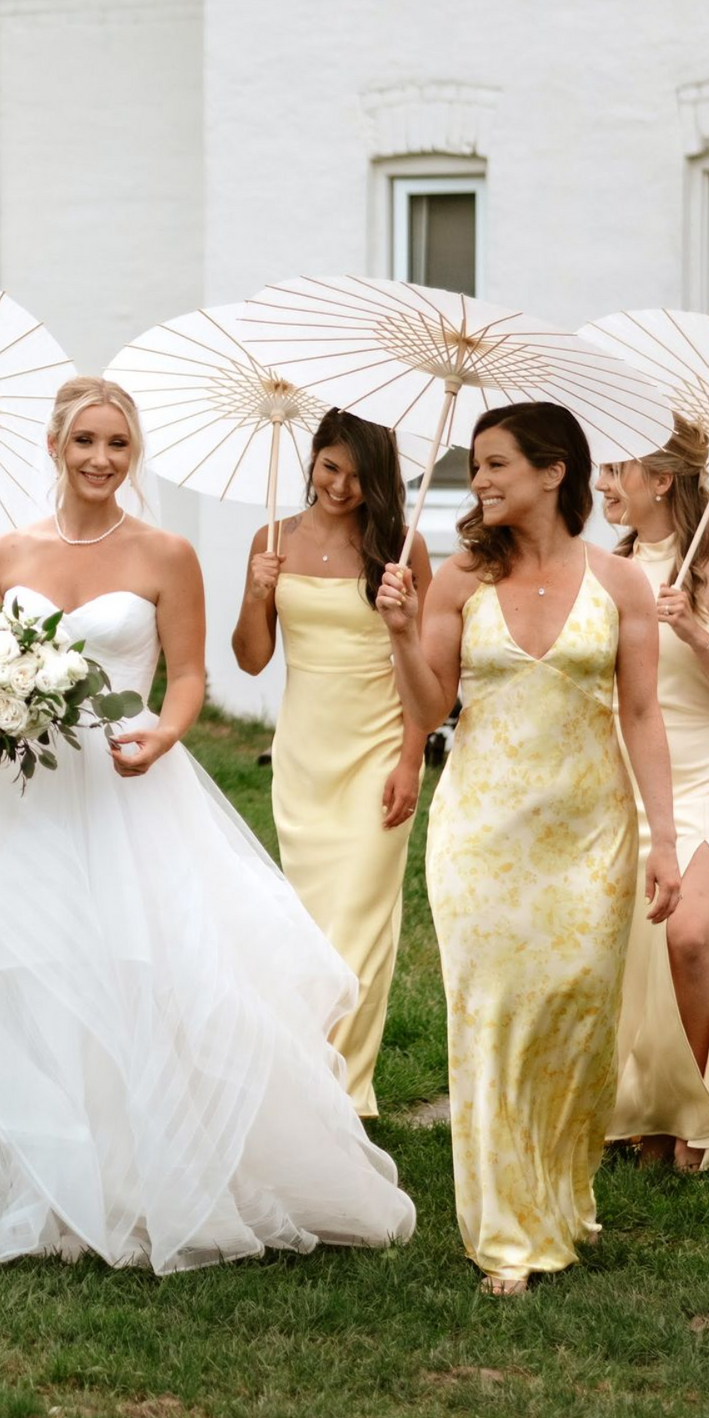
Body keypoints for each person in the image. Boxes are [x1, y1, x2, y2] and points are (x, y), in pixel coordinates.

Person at [0, 377, 416, 1272]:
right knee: (5, 962)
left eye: (118, 444)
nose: (100, 459)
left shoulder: (167, 554)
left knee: (134, 966)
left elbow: (192, 674)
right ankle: (8, 1155)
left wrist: (165, 730)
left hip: (129, 782)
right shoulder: (6, 553)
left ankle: (130, 1165)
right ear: (55, 447)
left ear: (133, 454)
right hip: (20, 789)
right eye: (85, 441)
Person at [378, 402, 680, 1295]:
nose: (479, 482)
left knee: (575, 1024)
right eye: (475, 467)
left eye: (496, 465)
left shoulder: (621, 587)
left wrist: (664, 840)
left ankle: (560, 1191)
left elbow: (642, 714)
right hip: (482, 831)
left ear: (554, 473)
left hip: (591, 835)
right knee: (494, 1020)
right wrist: (399, 633)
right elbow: (430, 708)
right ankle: (506, 1236)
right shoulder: (459, 580)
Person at [232, 407, 431, 1116]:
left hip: (377, 752)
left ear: (380, 480)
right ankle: (305, 1079)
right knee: (310, 931)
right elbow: (252, 658)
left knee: (362, 928)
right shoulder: (271, 539)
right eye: (330, 467)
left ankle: (342, 1098)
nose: (341, 486)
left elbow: (427, 679)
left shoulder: (404, 549)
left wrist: (412, 762)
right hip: (304, 756)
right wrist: (258, 594)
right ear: (312, 460)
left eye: (357, 474)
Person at [598, 427, 709, 1170]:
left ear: (661, 480)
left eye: (616, 468)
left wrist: (698, 635)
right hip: (620, 779)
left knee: (691, 935)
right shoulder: (604, 572)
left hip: (701, 778)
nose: (602, 482)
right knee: (620, 953)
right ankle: (636, 1112)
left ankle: (691, 1117)